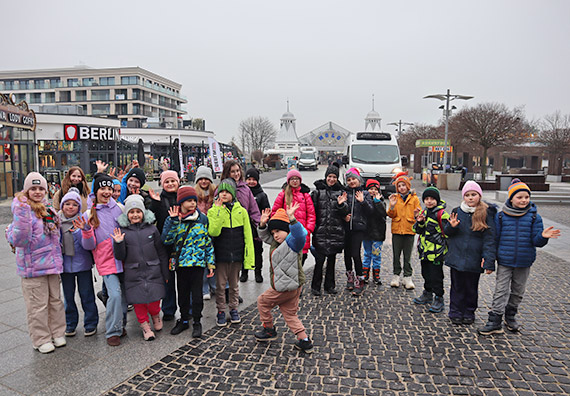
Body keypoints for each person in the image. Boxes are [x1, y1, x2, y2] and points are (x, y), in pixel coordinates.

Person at [478, 179, 560, 335]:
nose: (523, 200)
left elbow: (537, 242)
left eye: (526, 197)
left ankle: (510, 316)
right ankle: (494, 321)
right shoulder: (501, 217)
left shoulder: (535, 217)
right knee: (500, 290)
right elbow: (494, 240)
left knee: (517, 291)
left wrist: (543, 236)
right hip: (505, 261)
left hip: (524, 261)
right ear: (511, 198)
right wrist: (489, 261)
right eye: (519, 197)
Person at [6, 172, 66, 354]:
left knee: (55, 302)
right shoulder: (23, 210)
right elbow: (20, 239)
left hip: (52, 265)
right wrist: (20, 215)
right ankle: (40, 339)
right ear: (26, 190)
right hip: (33, 267)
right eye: (33, 188)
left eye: (41, 188)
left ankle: (57, 333)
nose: (38, 192)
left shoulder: (48, 208)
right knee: (37, 306)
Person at [75, 174, 127, 346]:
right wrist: (87, 230)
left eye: (109, 189)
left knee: (124, 295)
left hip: (123, 257)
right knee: (115, 294)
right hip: (105, 260)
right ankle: (112, 331)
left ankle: (121, 324)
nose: (106, 192)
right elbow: (88, 245)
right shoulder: (89, 213)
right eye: (102, 188)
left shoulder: (119, 208)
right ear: (95, 191)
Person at [254, 205, 313, 353]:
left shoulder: (293, 243)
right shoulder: (276, 242)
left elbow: (300, 235)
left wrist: (292, 219)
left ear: (288, 231)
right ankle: (304, 339)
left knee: (262, 301)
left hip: (285, 286)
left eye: (278, 231)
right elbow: (264, 236)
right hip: (292, 285)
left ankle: (268, 330)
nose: (275, 235)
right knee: (289, 313)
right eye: (273, 232)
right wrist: (262, 225)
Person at [111, 195, 168, 341]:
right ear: (127, 214)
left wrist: (165, 272)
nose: (135, 214)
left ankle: (156, 315)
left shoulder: (151, 229)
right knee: (139, 302)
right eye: (131, 212)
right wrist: (118, 243)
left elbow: (161, 252)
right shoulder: (123, 231)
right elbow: (120, 256)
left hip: (153, 269)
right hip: (133, 272)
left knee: (155, 300)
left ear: (143, 213)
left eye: (138, 211)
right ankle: (144, 325)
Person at [162, 186, 215, 338]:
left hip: (198, 264)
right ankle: (184, 319)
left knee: (197, 295)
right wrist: (172, 222)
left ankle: (197, 321)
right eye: (189, 201)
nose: (192, 204)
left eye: (194, 201)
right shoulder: (173, 219)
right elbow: (166, 240)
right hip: (181, 264)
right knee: (183, 294)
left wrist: (210, 263)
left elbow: (207, 242)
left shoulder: (202, 218)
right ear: (181, 202)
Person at [443, 181, 496, 325]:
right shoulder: (457, 211)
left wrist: (489, 259)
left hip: (474, 258)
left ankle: (468, 311)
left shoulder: (485, 213)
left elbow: (489, 239)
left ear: (479, 196)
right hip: (457, 257)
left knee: (471, 287)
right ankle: (455, 311)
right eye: (467, 195)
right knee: (457, 286)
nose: (470, 198)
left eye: (473, 195)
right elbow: (447, 233)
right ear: (463, 197)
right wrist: (451, 227)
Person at [208, 179, 254, 327]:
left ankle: (233, 308)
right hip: (221, 255)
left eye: (227, 192)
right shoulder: (213, 210)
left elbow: (248, 235)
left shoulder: (241, 211)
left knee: (234, 285)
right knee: (220, 286)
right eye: (221, 192)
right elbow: (213, 231)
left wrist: (249, 258)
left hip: (237, 254)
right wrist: (219, 210)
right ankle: (221, 310)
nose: (224, 194)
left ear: (233, 194)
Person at [58, 187, 98, 337]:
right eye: (67, 204)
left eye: (74, 204)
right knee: (68, 297)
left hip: (83, 265)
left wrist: (84, 230)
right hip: (65, 266)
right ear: (62, 206)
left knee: (87, 295)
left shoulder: (83, 221)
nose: (70, 207)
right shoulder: (56, 222)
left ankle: (91, 322)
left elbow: (89, 245)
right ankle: (70, 324)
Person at [309, 163, 348, 295]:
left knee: (331, 261)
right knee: (319, 261)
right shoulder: (317, 192)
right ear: (326, 177)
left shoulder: (341, 192)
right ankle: (315, 286)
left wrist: (341, 205)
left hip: (335, 232)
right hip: (320, 231)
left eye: (334, 177)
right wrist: (313, 228)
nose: (331, 179)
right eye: (329, 176)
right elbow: (312, 211)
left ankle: (329, 286)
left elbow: (345, 212)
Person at [220, 160, 260, 282]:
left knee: (238, 259)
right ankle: (226, 289)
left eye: (238, 171)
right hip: (226, 230)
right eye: (233, 171)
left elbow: (253, 209)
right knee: (227, 263)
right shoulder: (221, 188)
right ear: (227, 173)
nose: (236, 174)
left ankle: (234, 289)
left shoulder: (245, 189)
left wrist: (259, 226)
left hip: (241, 228)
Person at [149, 170, 181, 322]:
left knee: (183, 278)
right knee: (167, 278)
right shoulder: (158, 199)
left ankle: (185, 307)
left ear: (178, 182)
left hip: (182, 245)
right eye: (167, 182)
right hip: (165, 246)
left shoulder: (183, 197)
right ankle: (168, 309)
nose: (170, 184)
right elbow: (150, 218)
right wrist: (154, 204)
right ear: (162, 184)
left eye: (172, 181)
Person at [412, 187, 449, 313]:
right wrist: (420, 221)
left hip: (437, 252)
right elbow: (417, 230)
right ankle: (427, 293)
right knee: (425, 273)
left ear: (437, 200)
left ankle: (439, 297)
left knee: (436, 276)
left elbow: (447, 232)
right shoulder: (424, 212)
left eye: (432, 199)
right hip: (425, 251)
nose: (429, 201)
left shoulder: (442, 214)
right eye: (426, 199)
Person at [271, 169, 316, 266]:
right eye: (292, 179)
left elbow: (311, 215)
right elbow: (275, 212)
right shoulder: (283, 195)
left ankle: (299, 281)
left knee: (300, 263)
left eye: (297, 179)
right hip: (286, 235)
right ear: (288, 181)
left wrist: (308, 230)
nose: (295, 181)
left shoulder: (305, 195)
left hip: (302, 233)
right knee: (287, 264)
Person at [342, 168, 373, 296]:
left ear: (358, 180)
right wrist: (343, 214)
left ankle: (359, 279)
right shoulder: (345, 193)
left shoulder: (365, 193)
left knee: (355, 254)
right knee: (347, 254)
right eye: (349, 180)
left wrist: (363, 202)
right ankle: (350, 277)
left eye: (353, 179)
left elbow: (371, 211)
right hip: (346, 227)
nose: (351, 182)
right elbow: (340, 209)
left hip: (358, 227)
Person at [387, 172, 421, 289]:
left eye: (403, 185)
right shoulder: (395, 198)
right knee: (396, 255)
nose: (402, 188)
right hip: (397, 230)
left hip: (409, 230)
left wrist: (417, 214)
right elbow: (391, 214)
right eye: (399, 186)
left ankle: (408, 277)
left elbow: (419, 213)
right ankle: (396, 275)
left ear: (408, 186)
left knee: (408, 256)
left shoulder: (414, 198)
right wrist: (391, 206)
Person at [194, 165, 217, 299]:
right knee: (202, 261)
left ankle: (213, 285)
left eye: (206, 179)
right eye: (201, 179)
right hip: (199, 232)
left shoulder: (214, 193)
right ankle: (204, 288)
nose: (204, 181)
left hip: (212, 231)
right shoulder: (195, 194)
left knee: (212, 260)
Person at [245, 167, 270, 283]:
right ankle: (244, 272)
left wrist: (263, 225)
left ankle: (258, 272)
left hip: (256, 229)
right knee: (244, 252)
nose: (251, 182)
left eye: (253, 179)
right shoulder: (242, 193)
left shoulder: (262, 195)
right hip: (244, 228)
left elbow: (267, 211)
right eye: (249, 179)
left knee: (257, 252)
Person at [362, 179, 387, 285]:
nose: (373, 191)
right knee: (367, 254)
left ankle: (376, 275)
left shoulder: (381, 201)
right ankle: (365, 274)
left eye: (375, 189)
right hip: (367, 233)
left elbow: (382, 213)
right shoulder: (364, 201)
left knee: (376, 255)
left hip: (378, 233)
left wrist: (377, 202)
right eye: (371, 189)